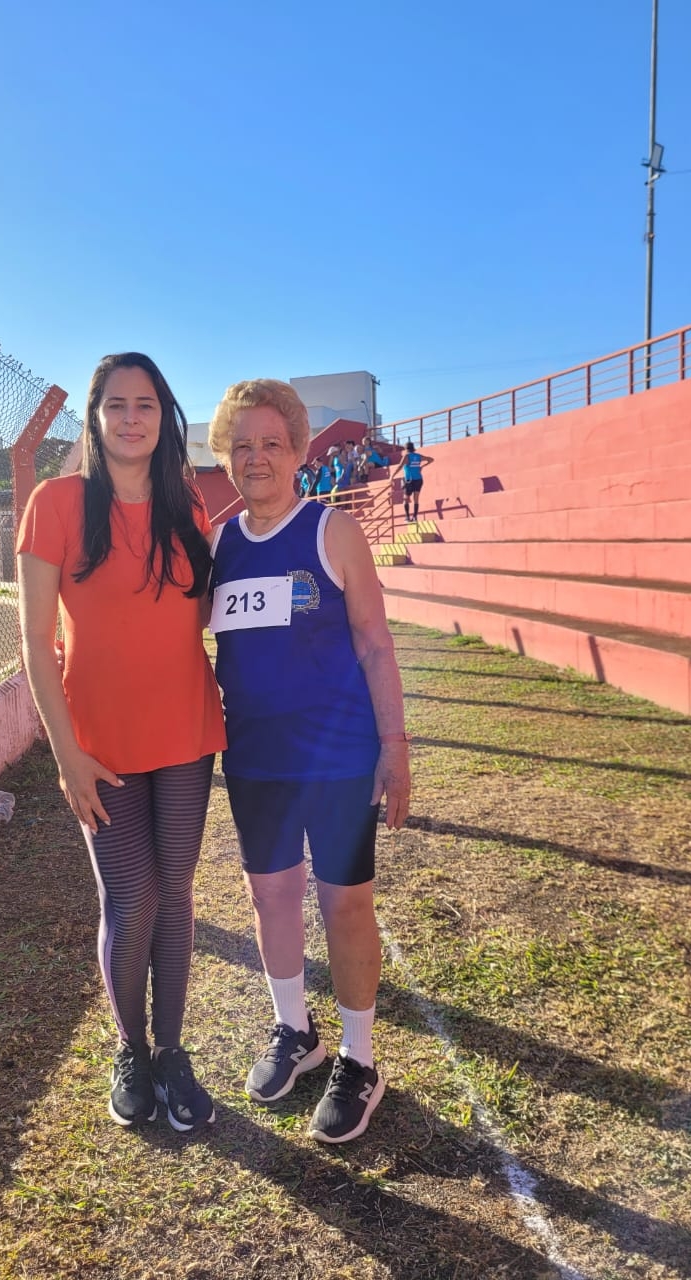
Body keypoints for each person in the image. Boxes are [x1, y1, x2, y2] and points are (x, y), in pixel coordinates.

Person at [17, 352, 226, 1133]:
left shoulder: (187, 504)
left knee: (175, 892)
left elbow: (198, 616)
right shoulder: (56, 502)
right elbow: (35, 641)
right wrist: (65, 753)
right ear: (95, 416)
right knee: (131, 898)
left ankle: (171, 1051)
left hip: (185, 730)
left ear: (164, 417)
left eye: (146, 405)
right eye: (116, 404)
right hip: (98, 741)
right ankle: (131, 1049)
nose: (131, 418)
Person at [207, 379, 411, 1144]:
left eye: (271, 443)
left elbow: (375, 644)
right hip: (254, 760)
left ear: (298, 452)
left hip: (337, 756)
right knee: (271, 896)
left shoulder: (332, 531)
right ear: (225, 457)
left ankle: (359, 1059)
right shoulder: (219, 546)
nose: (256, 458)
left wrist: (395, 747)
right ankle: (295, 1031)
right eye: (241, 446)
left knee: (343, 902)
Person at [391, 440, 433, 523]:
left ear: (406, 448)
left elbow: (400, 466)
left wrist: (392, 476)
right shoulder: (418, 456)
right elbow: (431, 459)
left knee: (406, 499)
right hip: (418, 479)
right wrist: (422, 466)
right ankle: (414, 517)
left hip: (409, 480)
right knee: (416, 499)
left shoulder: (407, 456)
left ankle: (407, 517)